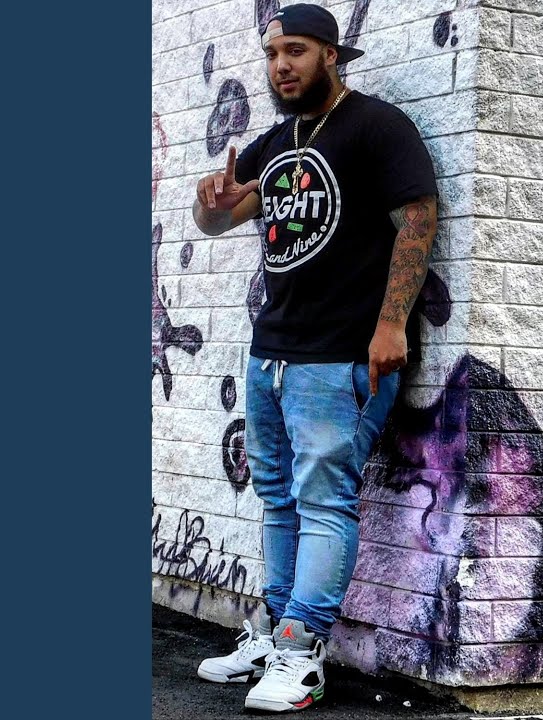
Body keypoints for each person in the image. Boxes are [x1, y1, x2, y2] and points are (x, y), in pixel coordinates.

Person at [188, 3, 437, 713]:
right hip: (272, 352)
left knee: (324, 498)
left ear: (331, 54)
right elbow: (219, 219)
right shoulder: (278, 141)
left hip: (341, 356)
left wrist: (391, 325)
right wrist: (211, 203)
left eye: (295, 51)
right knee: (277, 495)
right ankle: (276, 631)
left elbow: (418, 218)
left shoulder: (376, 126)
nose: (281, 66)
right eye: (273, 54)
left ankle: (302, 652)